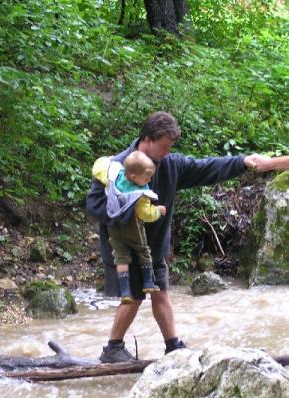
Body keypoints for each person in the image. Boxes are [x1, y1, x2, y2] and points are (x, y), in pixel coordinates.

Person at [86, 111, 273, 363]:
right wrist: (129, 208)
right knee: (134, 299)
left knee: (161, 292)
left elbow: (207, 167)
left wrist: (242, 162)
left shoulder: (171, 166)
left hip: (154, 248)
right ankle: (113, 348)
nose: (166, 152)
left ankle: (173, 346)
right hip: (126, 249)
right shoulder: (116, 168)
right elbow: (94, 206)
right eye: (163, 146)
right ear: (147, 139)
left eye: (169, 147)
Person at [91, 151, 166, 310]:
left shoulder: (114, 175)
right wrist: (158, 211)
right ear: (133, 177)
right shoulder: (139, 193)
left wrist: (107, 159)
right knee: (143, 252)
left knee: (121, 258)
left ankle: (125, 291)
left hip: (114, 226)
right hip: (132, 227)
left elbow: (100, 168)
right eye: (146, 177)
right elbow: (145, 214)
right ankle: (148, 283)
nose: (149, 180)